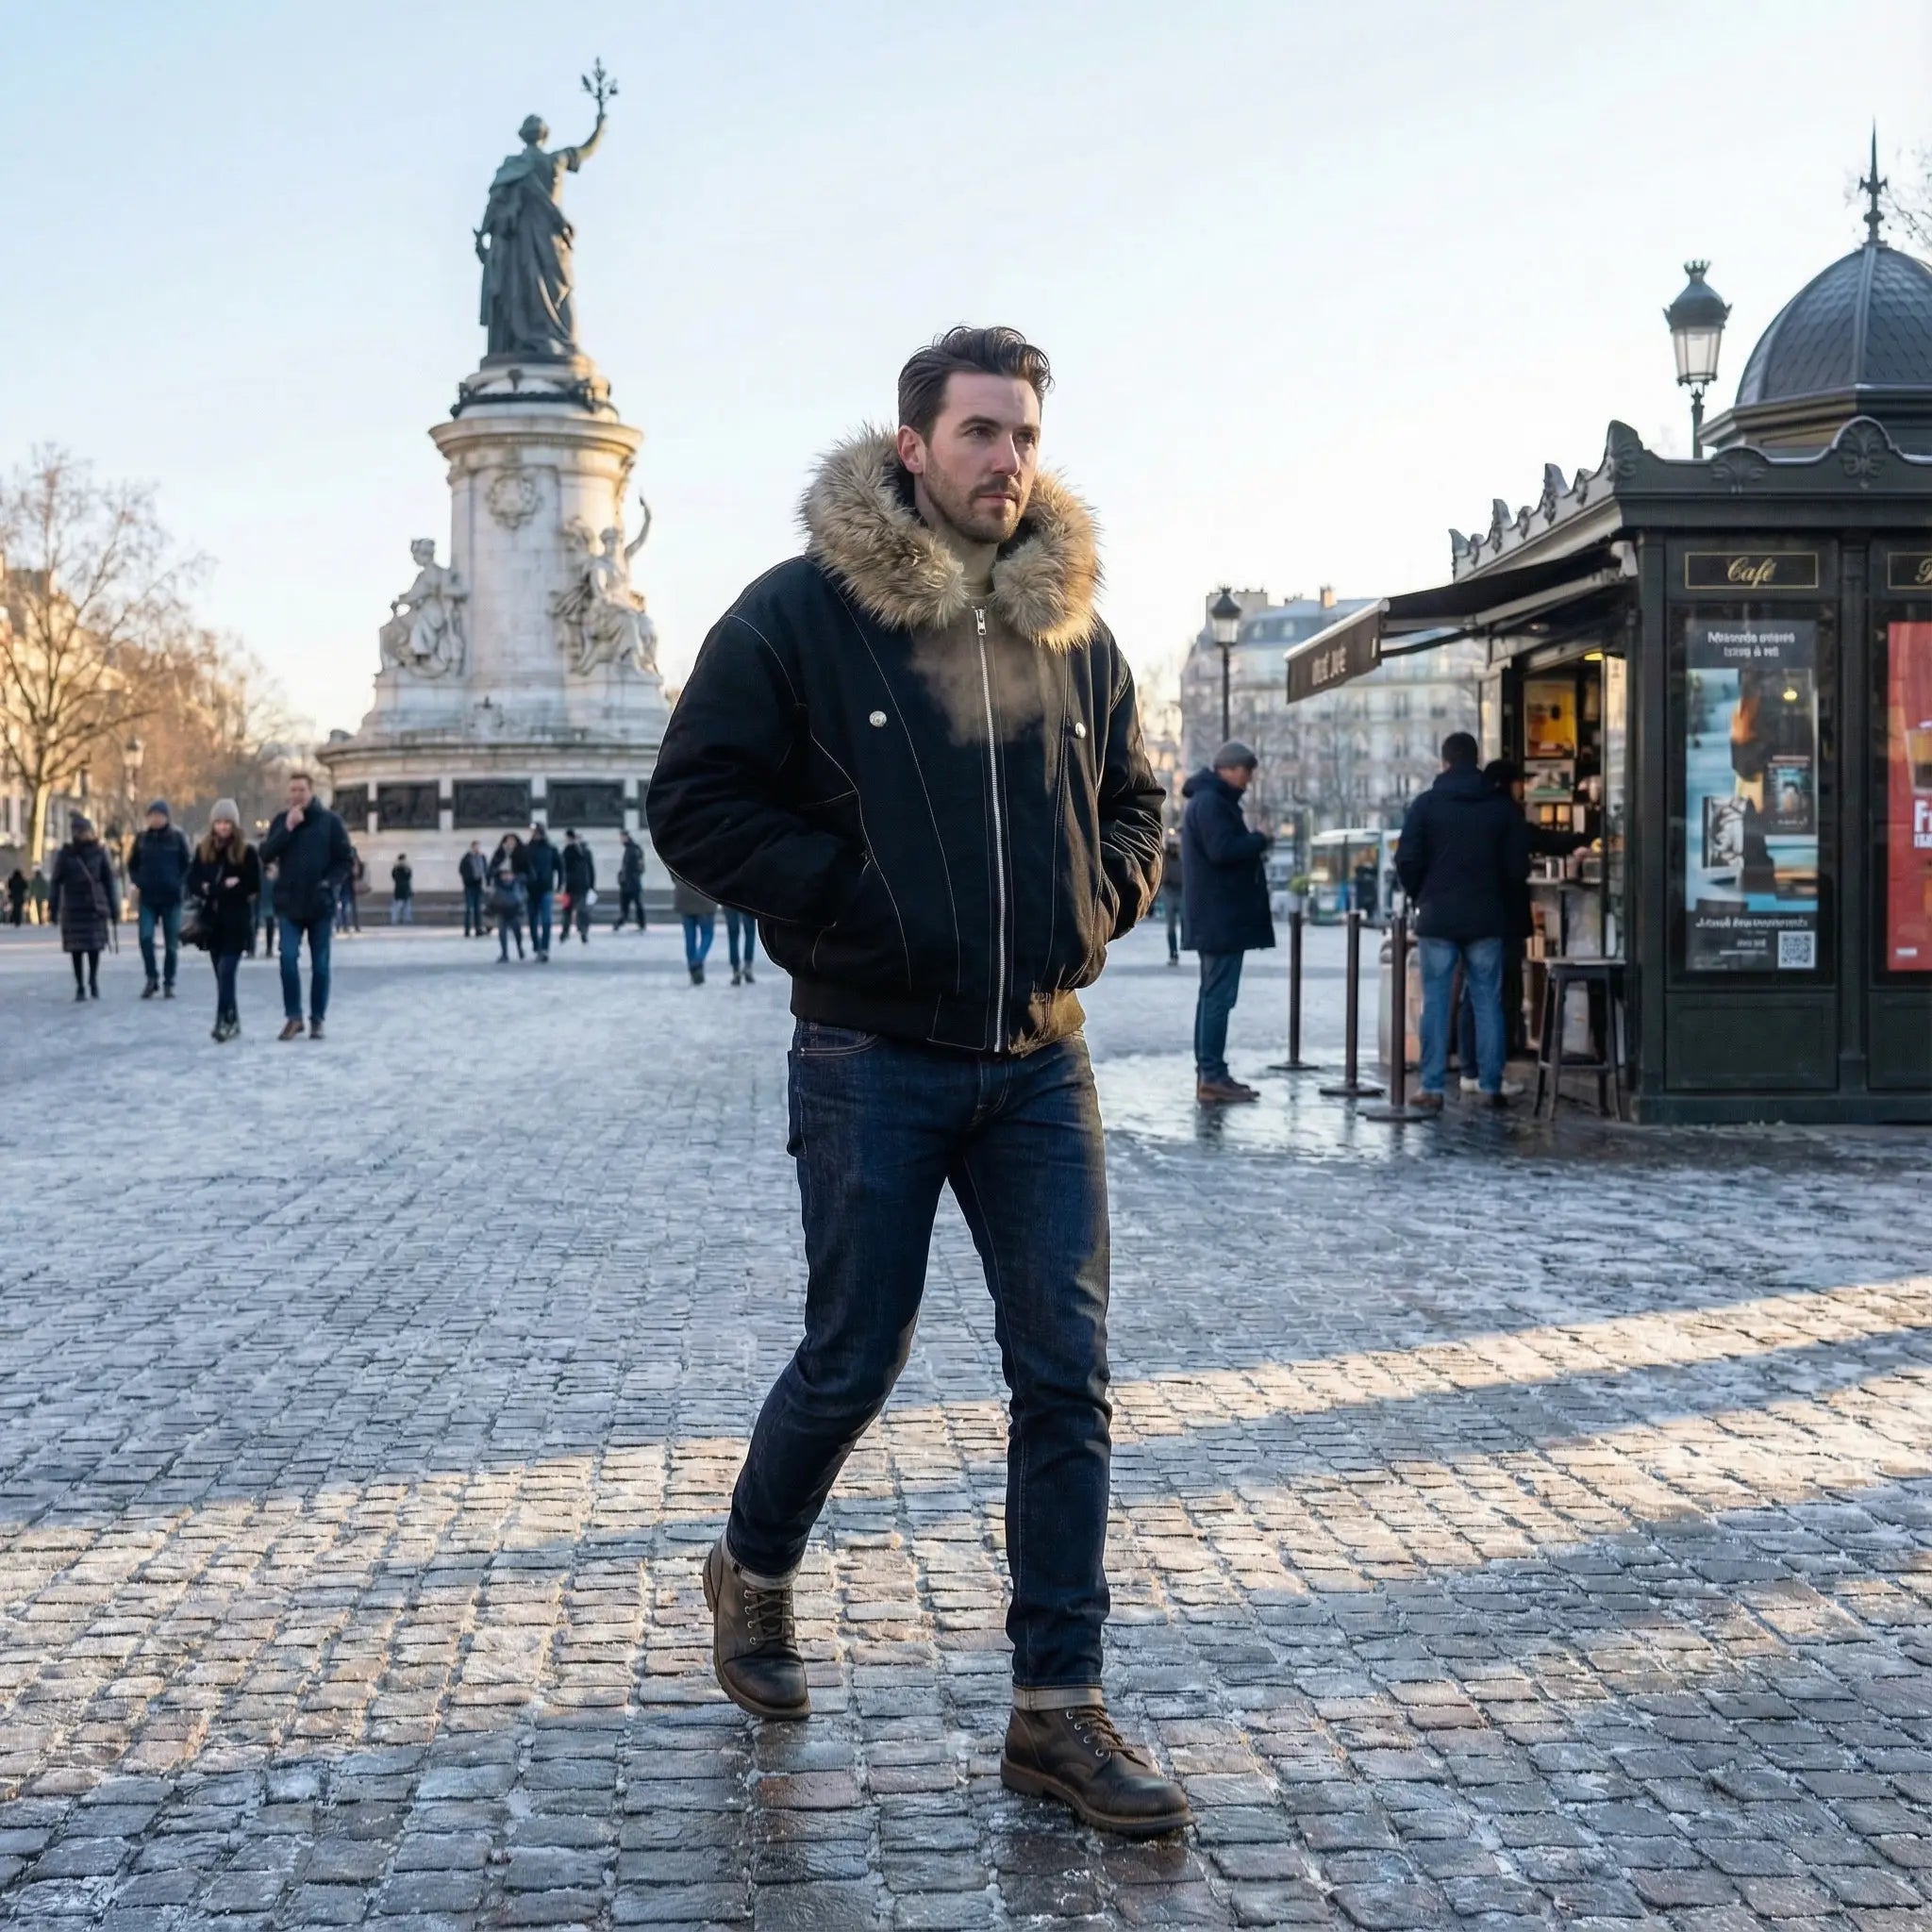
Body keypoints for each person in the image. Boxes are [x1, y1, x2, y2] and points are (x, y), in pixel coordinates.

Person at [646, 325, 1178, 1838]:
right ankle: (752, 1568)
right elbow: (694, 802)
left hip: (1037, 1059)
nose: (1007, 461)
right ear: (913, 448)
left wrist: (1102, 900)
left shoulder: (1079, 629)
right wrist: (856, 904)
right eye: (979, 434)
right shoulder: (801, 616)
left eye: (1023, 437)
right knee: (854, 1354)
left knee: (1063, 1376)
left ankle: (1055, 1712)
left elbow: (1137, 799)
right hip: (871, 1054)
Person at [1396, 731, 1522, 1110]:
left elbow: (1406, 860)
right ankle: (1489, 1085)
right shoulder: (1501, 808)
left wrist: (1423, 895)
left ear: (1444, 762)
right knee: (1487, 1000)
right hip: (1486, 915)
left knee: (1435, 1000)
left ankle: (1431, 1087)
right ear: (1477, 760)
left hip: (1438, 915)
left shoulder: (1426, 805)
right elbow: (1516, 867)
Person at [1457, 758, 1591, 1079]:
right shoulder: (1505, 812)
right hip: (1503, 916)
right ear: (1509, 784)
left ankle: (1469, 1068)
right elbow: (1536, 842)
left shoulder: (1472, 811)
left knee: (1474, 993)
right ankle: (1491, 1071)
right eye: (1520, 782)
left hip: (1473, 913)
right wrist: (1580, 838)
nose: (1524, 788)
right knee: (1500, 993)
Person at [1180, 741, 1274, 1105]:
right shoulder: (1211, 804)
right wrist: (1258, 840)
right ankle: (1212, 1074)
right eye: (1247, 772)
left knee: (1213, 996)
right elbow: (1223, 850)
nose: (1249, 781)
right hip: (1220, 919)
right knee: (1218, 997)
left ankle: (1211, 1072)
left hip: (1216, 919)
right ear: (1231, 769)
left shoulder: (1206, 802)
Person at [259, 772, 353, 1041]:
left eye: (301, 789)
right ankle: (293, 1017)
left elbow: (344, 859)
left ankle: (317, 1019)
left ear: (311, 791)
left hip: (319, 904)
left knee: (320, 965)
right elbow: (266, 854)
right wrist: (287, 828)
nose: (297, 795)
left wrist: (329, 885)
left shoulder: (330, 822)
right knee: (287, 959)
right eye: (292, 790)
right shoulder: (282, 821)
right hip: (290, 904)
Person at [186, 799, 260, 1042]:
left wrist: (219, 888)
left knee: (227, 972)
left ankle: (222, 1020)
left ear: (235, 824)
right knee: (221, 975)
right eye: (218, 822)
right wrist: (220, 887)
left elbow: (253, 885)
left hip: (236, 923)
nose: (223, 827)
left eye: (227, 822)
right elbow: (193, 882)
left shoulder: (246, 853)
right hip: (212, 924)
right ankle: (233, 1018)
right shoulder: (203, 850)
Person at [126, 799, 192, 1000]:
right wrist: (139, 881)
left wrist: (179, 883)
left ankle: (169, 981)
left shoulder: (177, 838)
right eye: (152, 816)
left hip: (171, 898)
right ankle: (151, 977)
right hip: (148, 897)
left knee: (172, 943)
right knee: (145, 938)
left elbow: (187, 864)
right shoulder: (142, 839)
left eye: (159, 816)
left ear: (166, 817)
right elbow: (132, 864)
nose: (155, 819)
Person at [50, 813, 117, 1001]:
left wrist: (114, 907)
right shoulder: (66, 854)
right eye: (77, 831)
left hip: (94, 907)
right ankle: (80, 985)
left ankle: (93, 980)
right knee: (76, 950)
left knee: (94, 948)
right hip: (73, 907)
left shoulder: (99, 852)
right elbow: (56, 881)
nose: (81, 834)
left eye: (84, 830)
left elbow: (108, 880)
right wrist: (53, 908)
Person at [524, 824, 560, 960]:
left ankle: (544, 948)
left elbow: (559, 867)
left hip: (546, 888)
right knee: (532, 921)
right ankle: (536, 945)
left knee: (546, 920)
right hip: (531, 889)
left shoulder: (550, 849)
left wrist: (560, 885)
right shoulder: (527, 849)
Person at [674, 876, 716, 985]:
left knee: (689, 937)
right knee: (707, 934)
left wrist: (679, 880)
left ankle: (693, 970)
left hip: (684, 892)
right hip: (705, 893)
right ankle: (697, 961)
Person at [490, 843, 528, 960]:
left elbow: (524, 879)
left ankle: (519, 947)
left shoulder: (516, 880)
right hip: (502, 909)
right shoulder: (498, 878)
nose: (506, 876)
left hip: (514, 909)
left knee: (517, 931)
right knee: (502, 931)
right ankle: (504, 953)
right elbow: (492, 871)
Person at [559, 829, 595, 943]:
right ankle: (565, 932)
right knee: (566, 911)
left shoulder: (584, 852)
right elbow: (563, 867)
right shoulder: (566, 851)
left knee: (582, 910)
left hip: (582, 886)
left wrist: (592, 886)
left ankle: (583, 931)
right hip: (569, 887)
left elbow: (590, 869)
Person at [614, 831, 647, 930]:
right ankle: (623, 921)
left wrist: (631, 877)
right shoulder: (630, 849)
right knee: (626, 903)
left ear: (626, 837)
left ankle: (639, 923)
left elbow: (638, 866)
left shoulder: (634, 849)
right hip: (627, 882)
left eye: (622, 838)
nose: (621, 840)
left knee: (635, 903)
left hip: (632, 882)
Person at [458, 841, 489, 937]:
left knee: (477, 909)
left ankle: (478, 929)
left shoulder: (481, 857)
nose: (476, 849)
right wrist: (467, 879)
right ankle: (467, 930)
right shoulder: (467, 858)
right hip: (469, 886)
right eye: (475, 847)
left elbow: (485, 869)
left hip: (478, 885)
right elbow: (462, 869)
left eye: (478, 847)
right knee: (468, 909)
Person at [1161, 831, 1182, 965]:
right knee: (1171, 926)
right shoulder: (1165, 857)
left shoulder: (1182, 856)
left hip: (1181, 891)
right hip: (1169, 892)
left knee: (1186, 921)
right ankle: (1173, 953)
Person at [724, 905, 757, 985]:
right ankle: (748, 967)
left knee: (733, 935)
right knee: (750, 932)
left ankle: (736, 970)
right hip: (748, 900)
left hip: (729, 898)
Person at [389, 855, 415, 924]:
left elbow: (409, 877)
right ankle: (395, 919)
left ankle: (407, 919)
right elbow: (396, 877)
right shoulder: (397, 869)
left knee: (407, 906)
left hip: (405, 889)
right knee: (398, 906)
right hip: (400, 889)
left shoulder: (406, 868)